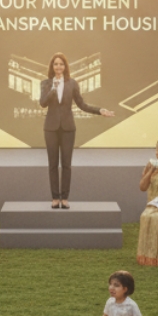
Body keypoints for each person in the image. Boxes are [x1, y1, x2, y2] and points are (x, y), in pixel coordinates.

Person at [39, 52, 114, 208]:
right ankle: (55, 198)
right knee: (53, 164)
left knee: (66, 164)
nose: (58, 67)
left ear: (65, 67)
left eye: (61, 64)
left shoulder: (72, 83)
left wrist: (99, 110)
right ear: (52, 66)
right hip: (51, 128)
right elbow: (43, 103)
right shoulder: (46, 83)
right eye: (55, 64)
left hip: (68, 129)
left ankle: (65, 198)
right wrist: (53, 89)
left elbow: (82, 105)